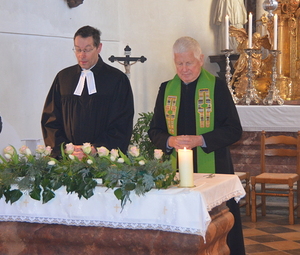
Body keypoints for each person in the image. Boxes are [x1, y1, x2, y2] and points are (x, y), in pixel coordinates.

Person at [148, 36, 245, 255]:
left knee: (220, 226)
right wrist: (169, 141)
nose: (184, 69)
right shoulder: (166, 89)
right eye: (179, 63)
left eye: (188, 63)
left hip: (214, 168)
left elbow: (234, 130)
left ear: (200, 59)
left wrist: (201, 140)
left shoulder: (217, 88)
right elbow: (154, 130)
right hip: (174, 172)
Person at [41, 25, 134, 158]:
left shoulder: (117, 80)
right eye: (78, 49)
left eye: (87, 50)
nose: (81, 55)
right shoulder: (63, 78)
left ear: (99, 48)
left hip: (103, 161)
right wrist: (66, 149)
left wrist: (96, 149)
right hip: (67, 160)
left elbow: (122, 123)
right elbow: (51, 119)